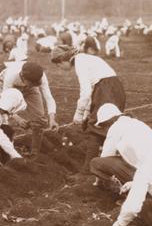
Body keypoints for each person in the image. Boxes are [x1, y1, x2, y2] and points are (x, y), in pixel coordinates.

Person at [51, 45, 125, 174]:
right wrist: (86, 113)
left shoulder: (80, 62)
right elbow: (92, 92)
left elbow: (85, 92)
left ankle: (87, 170)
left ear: (63, 60)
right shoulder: (85, 59)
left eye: (58, 65)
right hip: (113, 88)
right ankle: (108, 159)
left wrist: (78, 114)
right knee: (107, 125)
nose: (60, 68)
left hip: (107, 90)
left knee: (95, 129)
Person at [0, 61, 59, 156]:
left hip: (30, 89)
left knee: (39, 119)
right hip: (6, 85)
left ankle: (34, 154)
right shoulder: (11, 75)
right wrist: (18, 119)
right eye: (32, 83)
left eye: (35, 84)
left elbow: (48, 97)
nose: (33, 85)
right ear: (24, 78)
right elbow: (5, 103)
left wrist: (52, 119)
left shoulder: (39, 77)